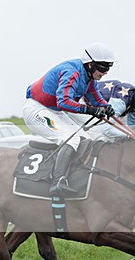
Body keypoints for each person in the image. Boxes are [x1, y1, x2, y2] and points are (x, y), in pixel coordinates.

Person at [23, 43, 116, 195]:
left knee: (86, 140)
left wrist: (106, 107)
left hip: (55, 111)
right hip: (37, 110)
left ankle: (78, 177)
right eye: (103, 68)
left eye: (108, 68)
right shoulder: (72, 71)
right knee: (70, 139)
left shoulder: (89, 77)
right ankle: (57, 181)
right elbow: (63, 101)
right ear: (90, 64)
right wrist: (90, 110)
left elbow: (95, 98)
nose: (105, 73)